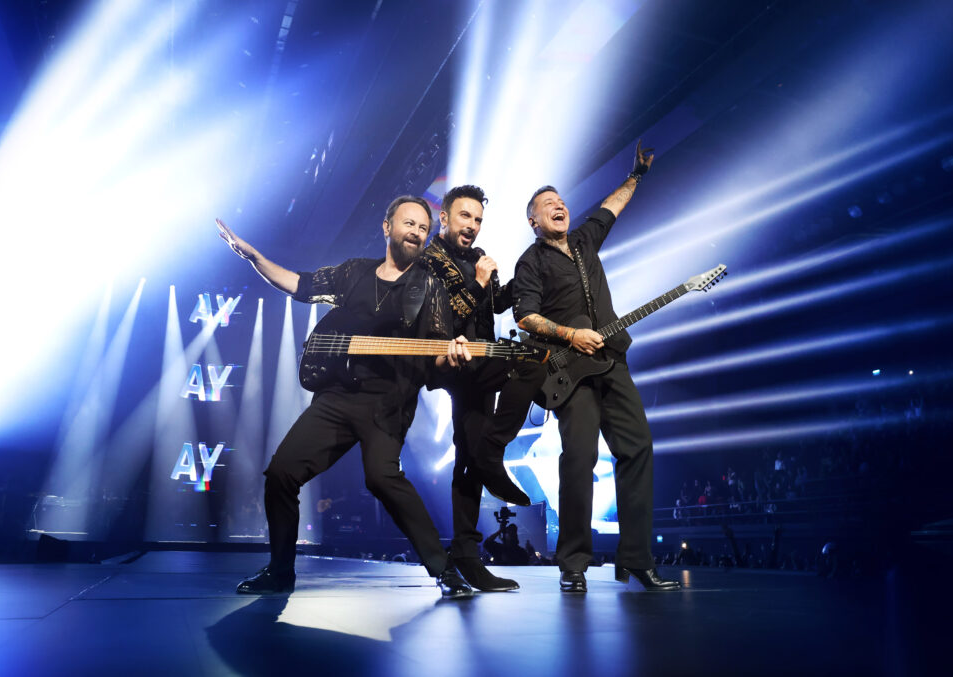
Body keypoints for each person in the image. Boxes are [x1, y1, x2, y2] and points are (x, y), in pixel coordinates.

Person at [216, 195, 474, 598]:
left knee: (382, 478)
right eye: (409, 224)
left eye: (423, 228)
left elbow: (437, 353)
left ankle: (445, 570)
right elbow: (300, 285)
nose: (416, 233)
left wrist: (452, 357)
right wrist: (254, 258)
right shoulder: (354, 271)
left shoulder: (429, 287)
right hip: (336, 396)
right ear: (387, 227)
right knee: (281, 473)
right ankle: (280, 571)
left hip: (387, 403)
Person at [511, 141, 680, 593]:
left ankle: (637, 560)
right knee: (579, 458)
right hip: (571, 373)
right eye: (548, 204)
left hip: (612, 361)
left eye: (561, 200)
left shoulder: (585, 240)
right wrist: (570, 335)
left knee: (638, 448)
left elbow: (611, 207)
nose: (559, 205)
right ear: (533, 221)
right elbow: (525, 316)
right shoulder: (530, 262)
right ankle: (573, 564)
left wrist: (636, 175)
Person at [420, 184, 545, 592]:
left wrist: (525, 276)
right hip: (451, 360)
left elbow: (494, 304)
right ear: (444, 218)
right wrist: (478, 281)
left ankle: (467, 556)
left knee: (468, 457)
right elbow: (447, 315)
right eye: (465, 216)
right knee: (527, 362)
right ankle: (492, 456)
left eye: (478, 219)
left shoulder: (479, 257)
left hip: (482, 362)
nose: (472, 226)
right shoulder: (429, 260)